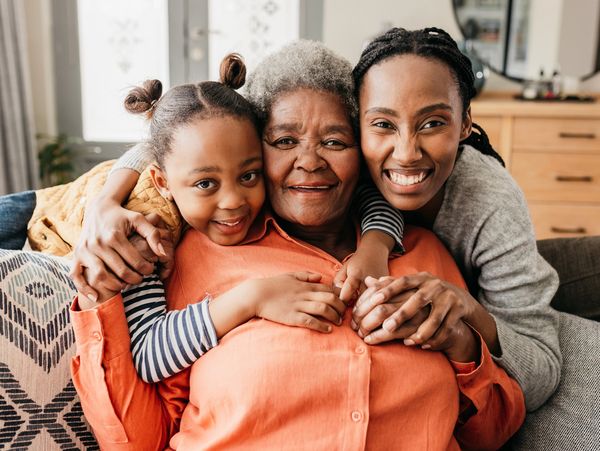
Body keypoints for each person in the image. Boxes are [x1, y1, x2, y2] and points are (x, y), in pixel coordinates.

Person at [70, 40, 524, 450]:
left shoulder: (422, 252)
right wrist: (101, 276)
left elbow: (492, 432)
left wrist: (462, 343)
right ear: (255, 145)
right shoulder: (189, 256)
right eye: (285, 140)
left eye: (334, 141)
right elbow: (139, 440)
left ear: (364, 149)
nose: (309, 161)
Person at [350, 26, 562, 411]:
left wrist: (468, 310)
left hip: (496, 277)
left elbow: (543, 368)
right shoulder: (344, 163)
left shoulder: (492, 204)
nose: (407, 153)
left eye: (432, 123)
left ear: (465, 123)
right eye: (383, 124)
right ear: (356, 123)